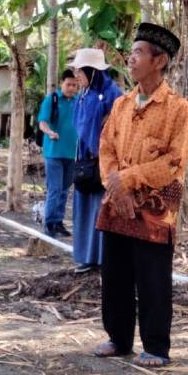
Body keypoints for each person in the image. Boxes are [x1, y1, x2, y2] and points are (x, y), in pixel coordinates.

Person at [93, 23, 188, 368]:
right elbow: (105, 148)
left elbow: (174, 160)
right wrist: (113, 183)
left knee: (153, 278)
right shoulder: (121, 105)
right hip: (117, 203)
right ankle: (118, 339)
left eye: (138, 53)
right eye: (132, 52)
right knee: (116, 275)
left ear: (160, 60)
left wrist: (129, 179)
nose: (131, 59)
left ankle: (155, 347)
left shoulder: (178, 109)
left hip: (154, 208)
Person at [70, 48, 122, 273]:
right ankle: (86, 257)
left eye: (80, 71)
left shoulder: (113, 94)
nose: (77, 75)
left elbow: (118, 128)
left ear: (92, 71)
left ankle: (104, 258)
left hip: (104, 162)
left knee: (102, 209)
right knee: (85, 208)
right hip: (84, 161)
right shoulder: (83, 95)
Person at [37, 69, 80, 238]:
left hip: (72, 153)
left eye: (74, 85)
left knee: (64, 190)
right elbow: (42, 123)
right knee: (54, 189)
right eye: (68, 84)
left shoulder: (78, 101)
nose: (71, 88)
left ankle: (58, 222)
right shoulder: (52, 100)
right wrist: (49, 133)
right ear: (61, 83)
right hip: (54, 152)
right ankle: (49, 223)